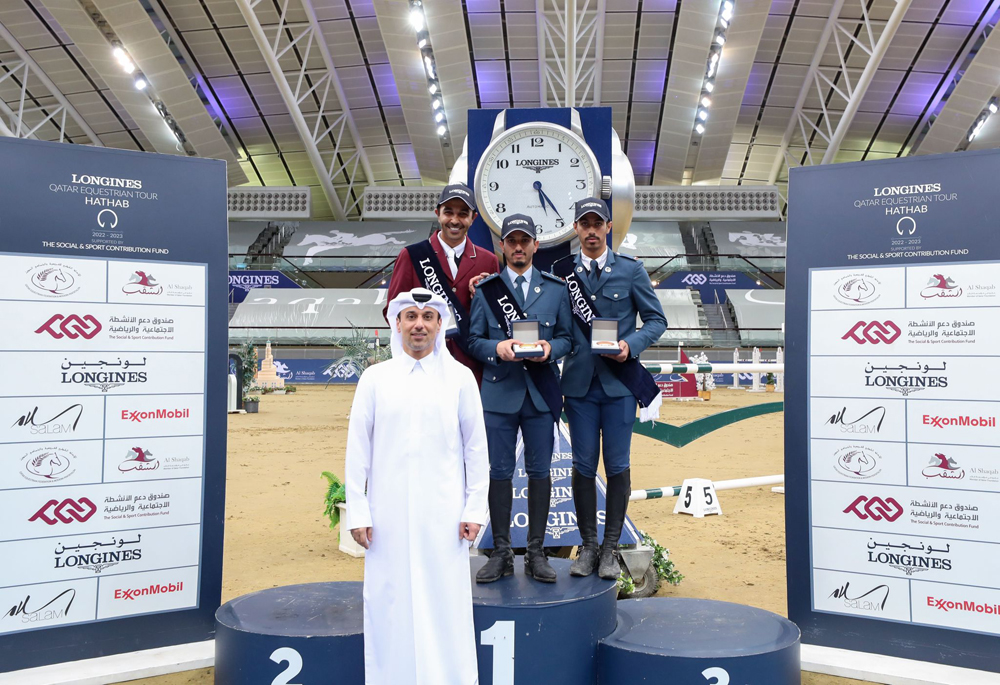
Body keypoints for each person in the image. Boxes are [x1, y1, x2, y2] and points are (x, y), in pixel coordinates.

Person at [345, 287, 489, 685]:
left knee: (445, 606)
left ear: (440, 324)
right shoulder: (375, 379)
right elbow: (357, 451)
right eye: (411, 316)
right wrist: (358, 511)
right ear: (397, 323)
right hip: (385, 519)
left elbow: (477, 450)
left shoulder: (460, 379)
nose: (419, 325)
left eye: (428, 316)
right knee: (390, 605)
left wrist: (475, 509)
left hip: (445, 519)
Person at [551, 198, 667, 580]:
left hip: (619, 387)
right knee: (583, 467)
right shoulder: (561, 272)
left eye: (596, 223)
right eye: (584, 224)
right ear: (576, 228)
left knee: (617, 466)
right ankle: (587, 546)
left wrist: (629, 345)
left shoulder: (631, 271)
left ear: (607, 226)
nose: (591, 230)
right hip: (580, 389)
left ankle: (611, 547)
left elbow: (656, 320)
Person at [467, 214, 574, 584]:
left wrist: (550, 348)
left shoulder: (556, 289)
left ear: (535, 245)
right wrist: (497, 347)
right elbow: (473, 340)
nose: (517, 247)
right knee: (498, 473)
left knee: (541, 472)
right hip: (499, 393)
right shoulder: (487, 290)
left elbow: (568, 338)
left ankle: (536, 552)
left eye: (524, 240)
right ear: (502, 246)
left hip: (541, 395)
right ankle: (500, 552)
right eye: (511, 240)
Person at [383, 184, 499, 384]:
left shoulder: (488, 260)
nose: (455, 220)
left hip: (470, 365)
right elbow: (392, 311)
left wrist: (480, 297)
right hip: (422, 364)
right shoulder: (412, 255)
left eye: (463, 214)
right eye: (448, 212)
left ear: (473, 218)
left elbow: (495, 316)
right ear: (438, 214)